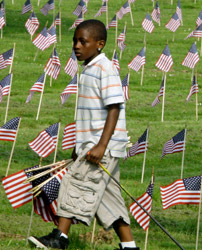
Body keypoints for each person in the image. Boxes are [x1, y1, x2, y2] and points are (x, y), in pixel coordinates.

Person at [28, 19, 137, 250]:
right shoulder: (89, 68)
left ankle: (60, 238)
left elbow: (114, 108)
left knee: (74, 183)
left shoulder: (104, 69)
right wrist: (80, 144)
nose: (76, 46)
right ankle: (130, 246)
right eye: (75, 41)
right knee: (108, 199)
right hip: (94, 145)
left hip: (101, 147)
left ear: (100, 44)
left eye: (82, 41)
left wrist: (100, 146)